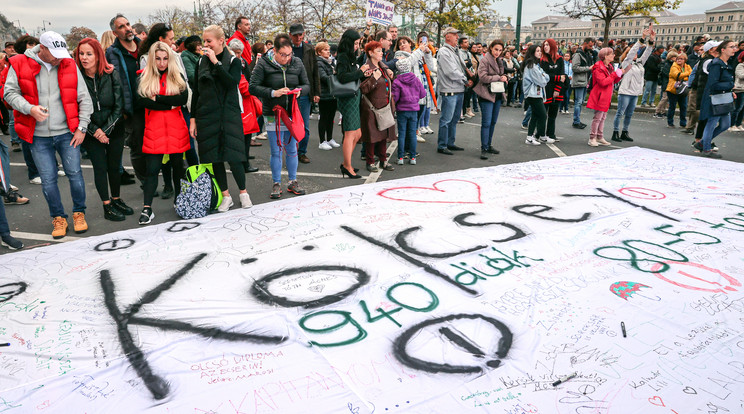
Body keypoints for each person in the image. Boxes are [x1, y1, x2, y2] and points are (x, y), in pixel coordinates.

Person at [3, 31, 93, 238]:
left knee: (75, 174)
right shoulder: (19, 63)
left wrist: (82, 128)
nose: (58, 57)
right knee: (48, 179)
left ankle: (79, 213)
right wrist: (29, 108)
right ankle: (58, 217)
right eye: (53, 53)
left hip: (67, 132)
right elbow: (9, 93)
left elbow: (84, 98)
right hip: (37, 134)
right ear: (41, 48)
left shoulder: (68, 63)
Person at [190, 25, 252, 210]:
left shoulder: (233, 60)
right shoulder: (201, 62)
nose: (205, 45)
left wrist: (216, 62)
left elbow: (231, 83)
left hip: (228, 115)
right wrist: (193, 119)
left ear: (221, 41)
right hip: (207, 115)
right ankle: (226, 195)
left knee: (234, 156)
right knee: (214, 157)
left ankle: (243, 193)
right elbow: (196, 91)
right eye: (204, 41)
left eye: (209, 41)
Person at [75, 38, 134, 221]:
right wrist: (96, 131)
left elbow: (119, 105)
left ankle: (116, 199)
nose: (84, 58)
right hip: (91, 130)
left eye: (89, 54)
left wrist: (106, 130)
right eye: (81, 54)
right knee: (100, 168)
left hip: (114, 127)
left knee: (114, 167)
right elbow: (76, 108)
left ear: (98, 55)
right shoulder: (76, 77)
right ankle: (107, 205)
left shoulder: (110, 73)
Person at [250, 33, 309, 197]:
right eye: (283, 55)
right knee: (276, 150)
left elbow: (306, 84)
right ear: (274, 51)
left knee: (292, 148)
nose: (286, 58)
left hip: (292, 113)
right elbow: (252, 87)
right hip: (273, 113)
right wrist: (273, 92)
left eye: (289, 54)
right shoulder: (263, 64)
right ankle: (276, 183)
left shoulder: (296, 62)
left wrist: (299, 91)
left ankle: (292, 181)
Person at [136, 41, 189, 224]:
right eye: (158, 58)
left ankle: (179, 201)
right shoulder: (143, 76)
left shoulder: (177, 75)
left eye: (165, 58)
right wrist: (170, 103)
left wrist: (158, 98)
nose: (161, 62)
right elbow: (142, 102)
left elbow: (183, 98)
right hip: (155, 129)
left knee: (177, 168)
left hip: (176, 128)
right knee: (152, 170)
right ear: (152, 58)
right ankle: (147, 208)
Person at [106, 14, 142, 185]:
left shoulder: (144, 47)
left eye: (128, 24)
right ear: (115, 32)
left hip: (152, 105)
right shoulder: (112, 53)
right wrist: (122, 110)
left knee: (156, 146)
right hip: (131, 109)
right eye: (121, 26)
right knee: (137, 147)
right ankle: (145, 182)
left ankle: (165, 182)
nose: (127, 28)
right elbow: (113, 84)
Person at [336, 29, 370, 179]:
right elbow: (342, 77)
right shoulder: (343, 56)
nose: (357, 46)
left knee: (357, 133)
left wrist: (362, 74)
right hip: (347, 98)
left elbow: (353, 76)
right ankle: (347, 166)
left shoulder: (350, 56)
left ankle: (346, 163)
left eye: (358, 43)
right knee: (350, 133)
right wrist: (360, 71)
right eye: (355, 43)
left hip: (354, 96)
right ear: (349, 42)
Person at [612, 28, 654, 142]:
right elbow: (632, 51)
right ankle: (615, 132)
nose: (635, 54)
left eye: (636, 53)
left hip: (635, 92)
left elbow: (647, 52)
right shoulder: (626, 63)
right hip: (625, 91)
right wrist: (642, 38)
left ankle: (624, 132)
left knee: (629, 114)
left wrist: (651, 40)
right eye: (633, 53)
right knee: (620, 113)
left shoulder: (640, 63)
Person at [360, 41, 396, 172]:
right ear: (370, 53)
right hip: (372, 107)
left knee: (383, 135)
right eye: (378, 51)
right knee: (372, 136)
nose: (382, 53)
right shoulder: (366, 68)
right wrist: (374, 78)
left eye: (382, 50)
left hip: (384, 105)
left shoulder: (382, 66)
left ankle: (383, 160)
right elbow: (363, 89)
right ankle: (370, 161)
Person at [395, 34, 434, 153]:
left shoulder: (418, 53)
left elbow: (431, 67)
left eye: (404, 42)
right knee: (406, 127)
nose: (402, 45)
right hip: (407, 98)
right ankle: (405, 150)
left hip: (421, 95)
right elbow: (408, 63)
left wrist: (427, 53)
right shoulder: (399, 56)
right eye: (400, 44)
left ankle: (410, 150)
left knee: (414, 125)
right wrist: (419, 51)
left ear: (410, 43)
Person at [698, 40, 737, 158]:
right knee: (712, 122)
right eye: (731, 47)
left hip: (724, 98)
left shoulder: (725, 64)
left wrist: (730, 91)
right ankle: (706, 148)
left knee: (725, 124)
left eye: (735, 46)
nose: (734, 48)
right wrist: (730, 86)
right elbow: (713, 85)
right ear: (723, 50)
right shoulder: (716, 64)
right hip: (715, 99)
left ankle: (702, 142)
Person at [289, 22, 320, 164]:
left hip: (305, 93)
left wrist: (316, 92)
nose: (298, 37)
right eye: (295, 35)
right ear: (290, 35)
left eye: (300, 34)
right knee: (289, 125)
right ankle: (292, 152)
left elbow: (315, 72)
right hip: (289, 93)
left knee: (304, 126)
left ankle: (302, 152)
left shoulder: (309, 49)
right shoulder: (286, 49)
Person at [228, 39, 260, 174]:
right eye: (234, 52)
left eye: (239, 53)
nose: (237, 55)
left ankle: (243, 159)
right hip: (242, 105)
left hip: (241, 105)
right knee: (244, 135)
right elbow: (245, 86)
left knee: (243, 135)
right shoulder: (234, 65)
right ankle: (244, 163)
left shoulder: (241, 63)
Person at [437, 27, 470, 155]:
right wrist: (465, 79)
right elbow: (450, 72)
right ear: (447, 37)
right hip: (450, 89)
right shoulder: (444, 52)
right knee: (446, 119)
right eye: (455, 34)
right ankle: (442, 145)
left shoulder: (455, 51)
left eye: (457, 34)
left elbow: (461, 68)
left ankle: (450, 143)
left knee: (455, 118)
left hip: (458, 88)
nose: (457, 37)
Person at [586, 47, 629, 147]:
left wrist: (620, 75)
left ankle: (599, 136)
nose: (614, 55)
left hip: (606, 95)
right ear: (605, 56)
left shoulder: (609, 66)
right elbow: (603, 82)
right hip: (600, 95)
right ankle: (592, 137)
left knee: (603, 117)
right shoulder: (598, 67)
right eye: (611, 54)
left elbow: (612, 81)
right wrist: (615, 74)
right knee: (598, 117)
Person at [473, 39, 507, 159]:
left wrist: (504, 77)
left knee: (492, 122)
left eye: (500, 50)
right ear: (491, 48)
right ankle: (484, 147)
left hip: (496, 93)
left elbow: (501, 74)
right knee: (486, 123)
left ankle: (489, 145)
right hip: (486, 94)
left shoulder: (499, 60)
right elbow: (482, 77)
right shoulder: (485, 60)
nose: (498, 52)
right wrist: (499, 77)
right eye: (496, 49)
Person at [392, 49, 426, 165]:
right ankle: (412, 157)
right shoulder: (415, 79)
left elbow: (395, 98)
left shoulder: (397, 81)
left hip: (402, 110)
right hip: (414, 110)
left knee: (402, 133)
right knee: (412, 133)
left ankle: (400, 157)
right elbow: (423, 94)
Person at [315, 41, 340, 151]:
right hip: (324, 94)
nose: (328, 51)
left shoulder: (330, 62)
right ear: (319, 52)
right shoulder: (319, 63)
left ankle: (329, 138)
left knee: (331, 118)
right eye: (325, 50)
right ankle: (322, 141)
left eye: (328, 49)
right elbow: (324, 77)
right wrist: (334, 76)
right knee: (324, 118)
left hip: (332, 94)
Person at [540, 39, 564, 142]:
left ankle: (551, 134)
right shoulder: (542, 60)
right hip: (546, 89)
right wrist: (557, 77)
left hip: (557, 90)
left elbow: (563, 76)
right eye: (544, 45)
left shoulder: (560, 59)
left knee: (553, 115)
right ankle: (540, 134)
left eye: (547, 45)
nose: (545, 47)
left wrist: (557, 89)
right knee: (543, 113)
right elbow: (544, 76)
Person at [571, 37, 594, 129]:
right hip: (579, 81)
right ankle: (576, 121)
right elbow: (575, 68)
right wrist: (588, 68)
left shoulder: (587, 54)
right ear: (585, 43)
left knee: (580, 102)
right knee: (578, 102)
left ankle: (577, 120)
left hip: (584, 81)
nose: (591, 47)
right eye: (590, 45)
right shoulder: (578, 54)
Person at [665, 53, 691, 128]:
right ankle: (670, 122)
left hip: (683, 89)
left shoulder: (687, 66)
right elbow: (677, 75)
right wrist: (687, 74)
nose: (679, 60)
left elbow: (691, 75)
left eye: (681, 59)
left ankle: (683, 123)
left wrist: (685, 75)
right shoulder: (674, 66)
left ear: (685, 60)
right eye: (678, 59)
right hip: (673, 89)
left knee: (683, 106)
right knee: (672, 106)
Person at [654, 50, 677, 118]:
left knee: (666, 98)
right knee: (665, 98)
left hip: (669, 82)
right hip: (666, 82)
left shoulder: (671, 64)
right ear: (671, 57)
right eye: (675, 57)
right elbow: (667, 74)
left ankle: (663, 111)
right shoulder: (666, 64)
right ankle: (657, 111)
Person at [730, 51, 744, 131]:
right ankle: (732, 124)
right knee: (738, 107)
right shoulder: (740, 65)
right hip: (739, 89)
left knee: (742, 109)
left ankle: (738, 124)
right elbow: (740, 75)